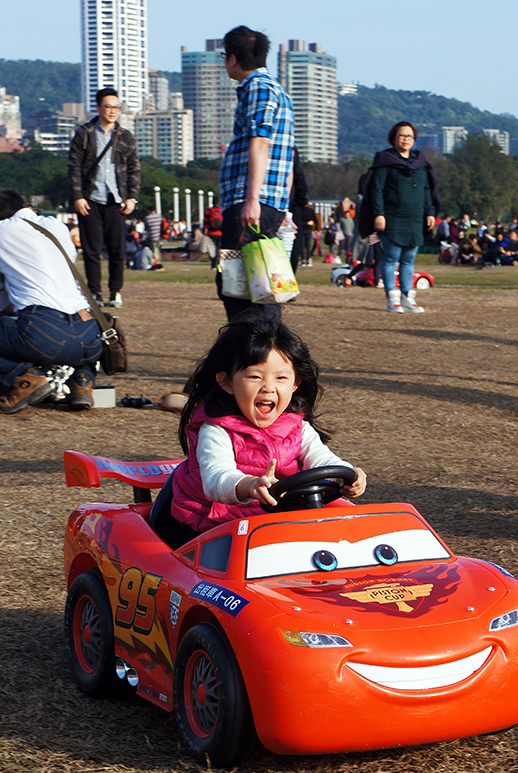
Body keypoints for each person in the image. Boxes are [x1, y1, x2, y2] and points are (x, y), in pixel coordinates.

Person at [171, 319, 366, 535]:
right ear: (227, 382)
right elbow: (216, 477)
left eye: (281, 377)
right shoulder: (217, 429)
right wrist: (249, 485)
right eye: (255, 376)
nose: (268, 388)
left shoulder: (297, 426)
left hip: (277, 518)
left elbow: (321, 460)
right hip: (218, 524)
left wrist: (348, 474)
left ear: (295, 383)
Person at [0, 190, 103, 413]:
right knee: (68, 344)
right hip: (89, 333)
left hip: (43, 331)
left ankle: (21, 379)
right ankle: (82, 381)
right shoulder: (57, 226)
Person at [217, 26, 295, 321]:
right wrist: (283, 206)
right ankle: (263, 353)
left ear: (232, 59)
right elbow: (287, 156)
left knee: (240, 284)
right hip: (270, 200)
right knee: (261, 281)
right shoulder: (279, 91)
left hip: (251, 201)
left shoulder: (257, 89)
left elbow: (261, 142)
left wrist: (251, 199)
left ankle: (254, 355)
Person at [67, 87, 140, 309]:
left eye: (116, 107)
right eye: (108, 107)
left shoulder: (125, 136)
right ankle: (95, 292)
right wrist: (78, 196)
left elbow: (134, 167)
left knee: (118, 249)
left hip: (116, 199)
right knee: (91, 249)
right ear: (98, 108)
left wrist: (132, 197)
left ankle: (116, 291)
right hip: (90, 198)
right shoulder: (85, 133)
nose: (112, 111)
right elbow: (74, 166)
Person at [370, 121, 440, 313]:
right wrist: (379, 214)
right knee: (391, 258)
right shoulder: (385, 161)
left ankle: (407, 296)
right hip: (392, 217)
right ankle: (392, 298)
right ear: (393, 138)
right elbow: (376, 189)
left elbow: (427, 190)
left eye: (409, 136)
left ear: (414, 139)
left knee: (409, 259)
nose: (405, 139)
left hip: (415, 219)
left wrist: (430, 212)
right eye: (401, 135)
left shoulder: (421, 164)